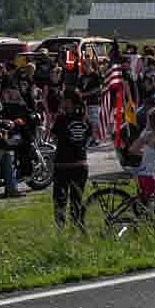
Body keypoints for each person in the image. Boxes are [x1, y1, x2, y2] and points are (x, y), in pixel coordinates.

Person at [50, 89, 91, 228]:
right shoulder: (85, 118)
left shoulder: (62, 119)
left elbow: (54, 137)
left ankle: (60, 229)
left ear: (68, 101)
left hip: (63, 165)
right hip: (81, 164)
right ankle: (76, 228)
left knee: (60, 200)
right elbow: (89, 137)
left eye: (62, 99)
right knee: (76, 201)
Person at [78, 60, 102, 146]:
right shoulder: (82, 76)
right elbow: (79, 88)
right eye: (83, 65)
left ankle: (94, 139)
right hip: (84, 102)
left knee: (93, 122)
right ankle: (84, 138)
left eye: (86, 65)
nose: (84, 67)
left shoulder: (95, 75)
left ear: (90, 65)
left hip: (94, 102)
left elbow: (98, 89)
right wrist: (79, 94)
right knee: (85, 121)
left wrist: (86, 94)